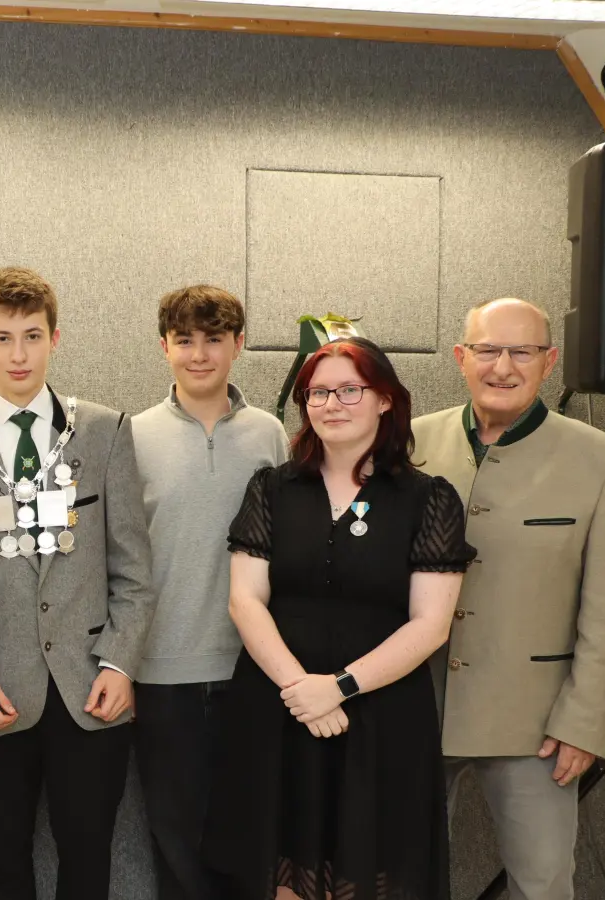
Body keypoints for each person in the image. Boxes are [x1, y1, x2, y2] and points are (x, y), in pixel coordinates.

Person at [203, 336, 475, 900]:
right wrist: (301, 689)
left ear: (384, 400)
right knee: (280, 877)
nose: (331, 403)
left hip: (379, 718)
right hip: (280, 709)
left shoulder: (428, 499)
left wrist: (340, 688)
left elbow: (431, 624)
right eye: (317, 392)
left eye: (349, 389)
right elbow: (244, 601)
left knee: (368, 879)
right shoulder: (273, 488)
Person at [0, 267, 157, 900]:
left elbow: (134, 569)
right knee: (3, 861)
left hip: (91, 685)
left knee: (88, 860)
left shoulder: (104, 431)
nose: (18, 354)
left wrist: (121, 662)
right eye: (3, 338)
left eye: (32, 336)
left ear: (56, 337)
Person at [412, 298, 605, 900]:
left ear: (549, 361)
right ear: (460, 357)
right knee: (399, 876)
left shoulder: (599, 457)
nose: (503, 366)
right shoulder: (408, 443)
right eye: (487, 350)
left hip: (537, 722)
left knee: (544, 881)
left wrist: (585, 722)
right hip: (413, 706)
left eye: (521, 351)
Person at [130, 286, 288, 900]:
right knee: (176, 842)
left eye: (214, 339)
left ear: (238, 345)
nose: (200, 355)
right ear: (164, 346)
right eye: (185, 340)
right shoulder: (132, 435)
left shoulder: (269, 434)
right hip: (162, 671)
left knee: (251, 836)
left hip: (257, 668)